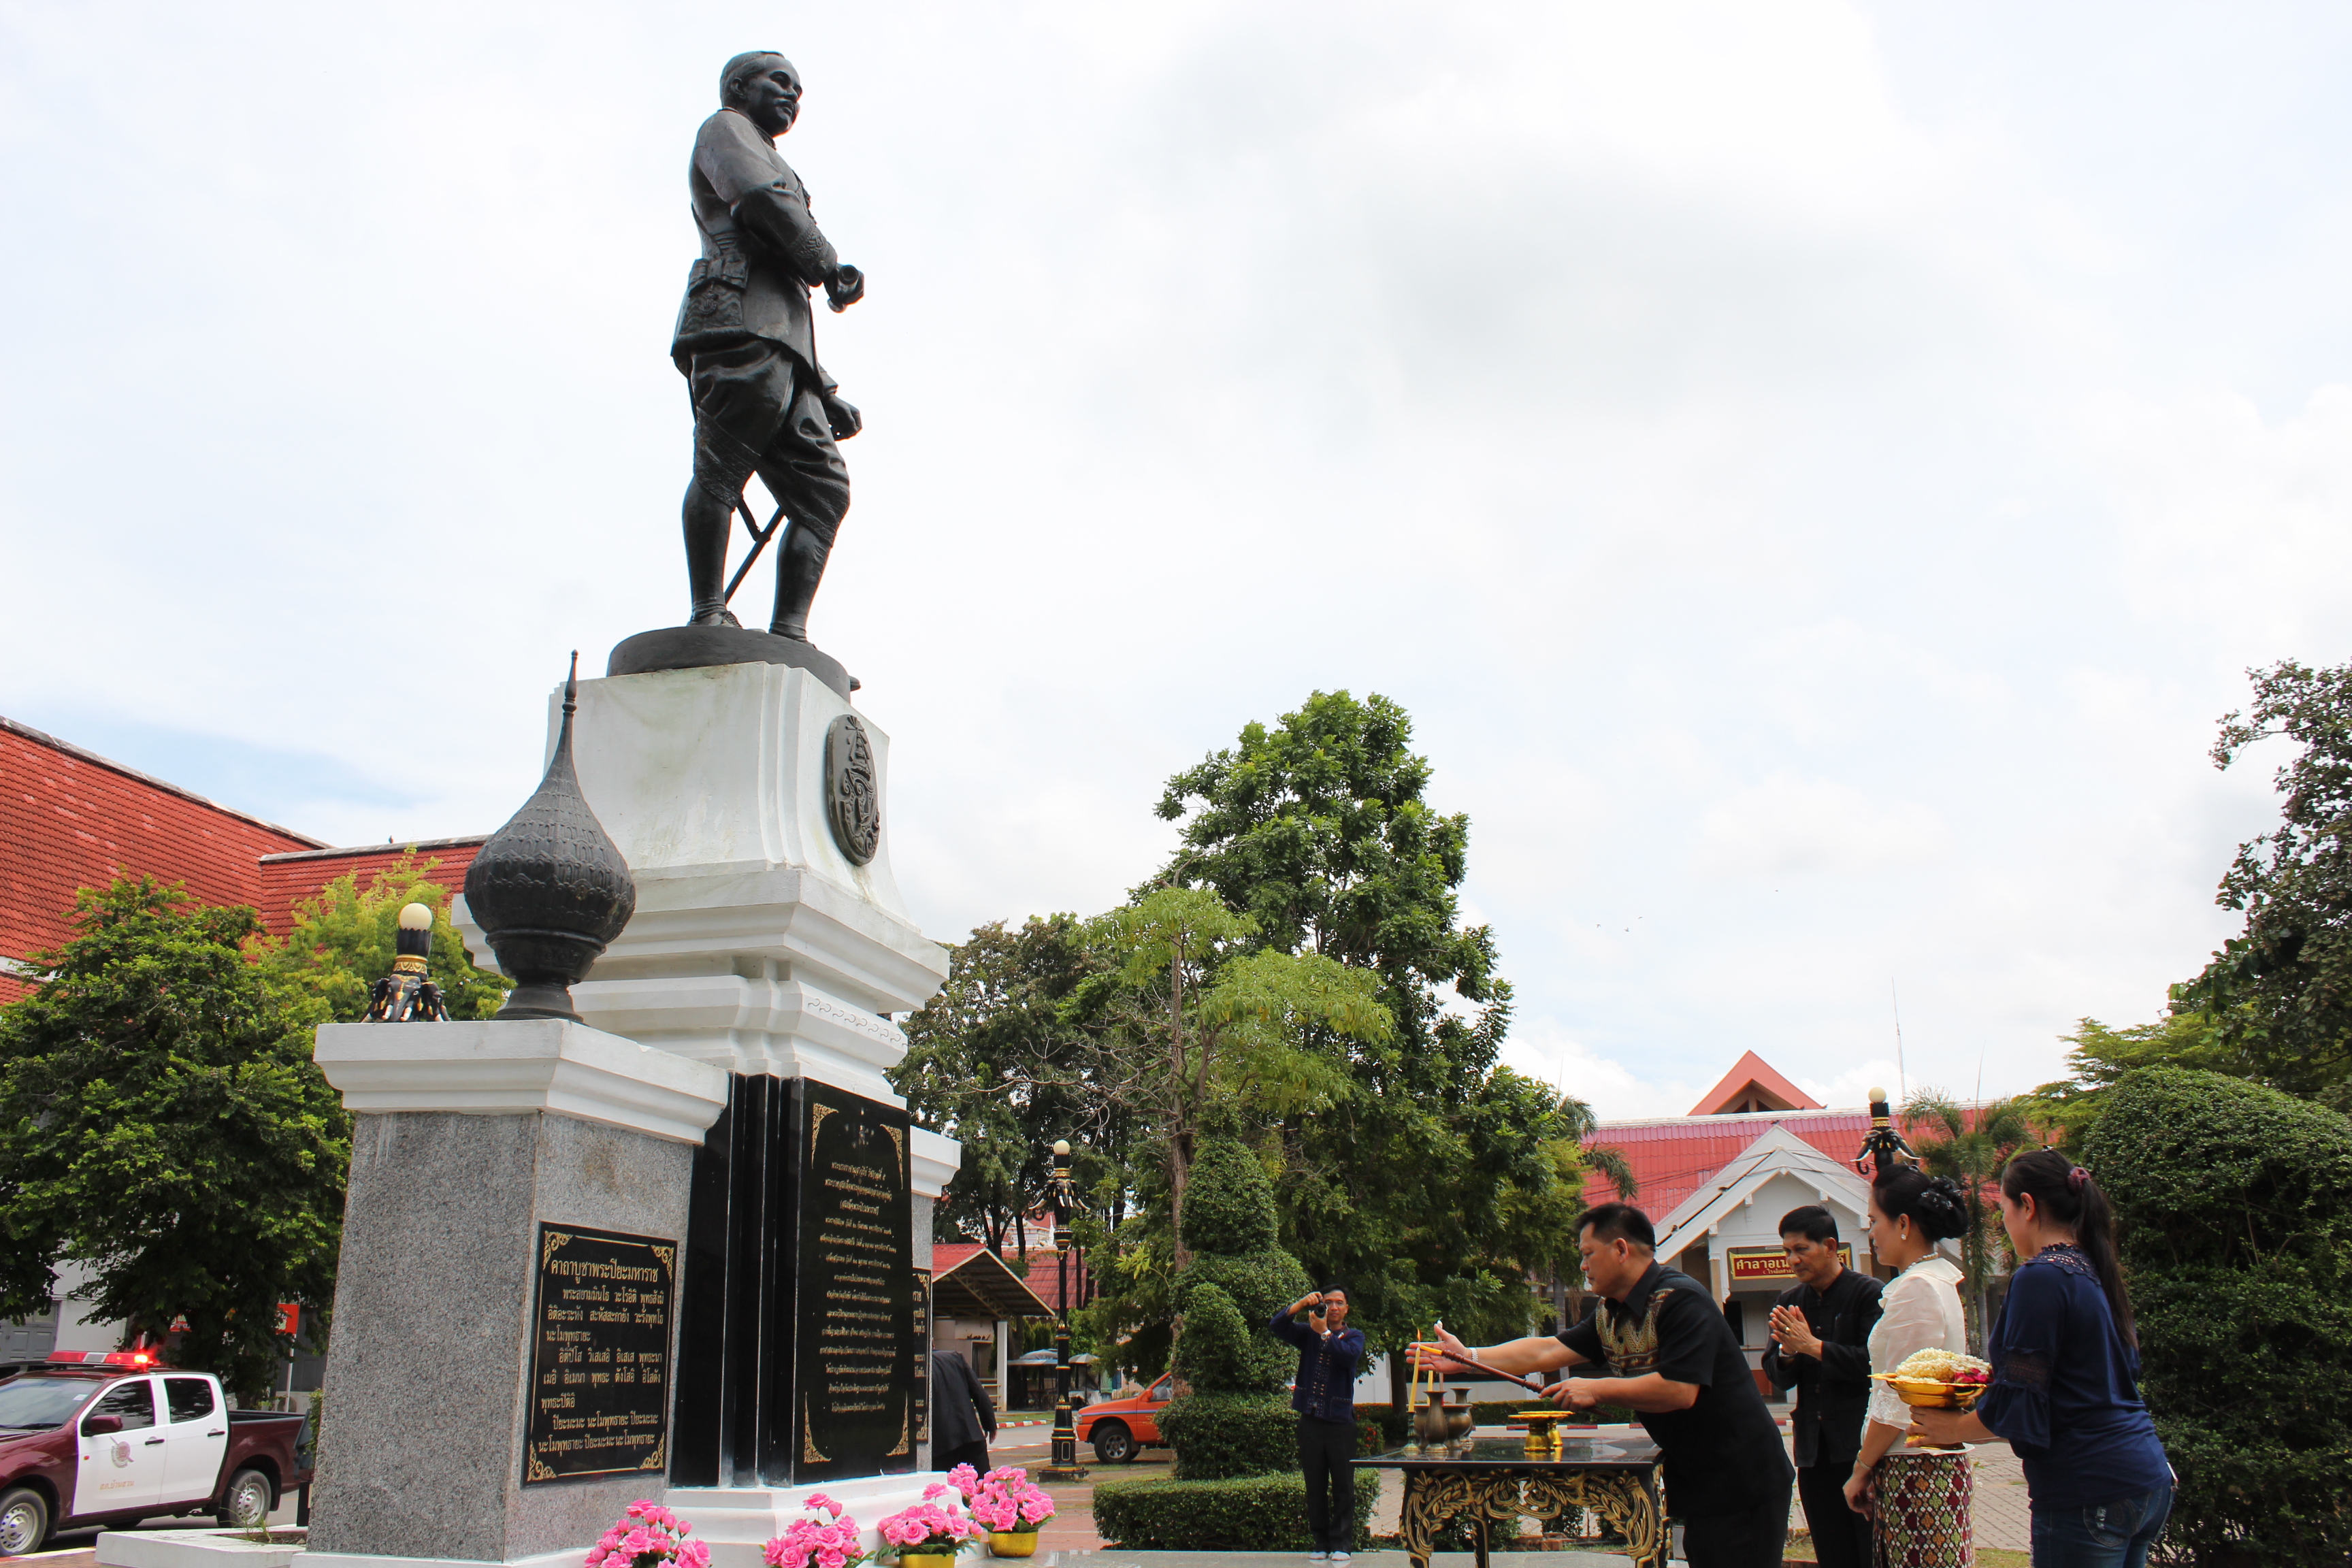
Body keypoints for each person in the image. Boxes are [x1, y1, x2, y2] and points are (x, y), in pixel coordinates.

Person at [1414, 1204, 1794, 1568]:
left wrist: (1598, 1389)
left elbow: (1680, 1390)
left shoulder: (1680, 1300)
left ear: (1621, 1249)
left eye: (1588, 1254)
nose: (1582, 1266)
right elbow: (1548, 1350)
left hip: (1743, 1480)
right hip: (1702, 1480)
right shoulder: (1611, 1313)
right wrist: (1471, 1357)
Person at [674, 51, 868, 638]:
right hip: (734, 323)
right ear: (739, 86)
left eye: (799, 89)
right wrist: (826, 261)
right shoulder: (725, 128)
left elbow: (788, 298)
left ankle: (789, 636)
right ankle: (708, 611)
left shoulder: (770, 150)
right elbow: (759, 199)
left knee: (824, 490)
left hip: (785, 345)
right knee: (721, 467)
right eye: (778, 82)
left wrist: (822, 387)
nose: (792, 95)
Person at [1909, 1151, 2172, 1568]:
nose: (2004, 1224)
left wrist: (1951, 1427)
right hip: (2145, 1477)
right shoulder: (2093, 1270)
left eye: (2004, 1211)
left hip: (2087, 1487)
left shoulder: (2041, 1277)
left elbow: (2019, 1400)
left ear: (2027, 1206)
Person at [1843, 1168, 1973, 1567]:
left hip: (1916, 1470)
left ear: (1902, 1224)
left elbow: (1899, 1399)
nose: (1871, 1232)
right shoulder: (1933, 1280)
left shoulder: (1918, 1288)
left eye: (1874, 1221)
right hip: (1922, 1465)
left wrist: (1861, 1468)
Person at [1763, 1205, 1883, 1568]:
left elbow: (1874, 1365)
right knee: (1832, 1554)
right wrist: (1787, 1351)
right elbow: (1778, 1376)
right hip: (1814, 1452)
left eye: (1801, 1249)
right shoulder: (1789, 1301)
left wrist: (1813, 1346)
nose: (1792, 1259)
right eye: (1786, 1251)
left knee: (1871, 1552)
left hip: (1860, 1450)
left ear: (1830, 1246)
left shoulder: (1869, 1295)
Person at [1271, 1285, 1367, 1567]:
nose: (1333, 1308)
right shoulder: (1308, 1334)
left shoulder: (1354, 1337)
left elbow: (1348, 1357)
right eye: (1328, 1303)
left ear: (1347, 1308)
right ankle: (1321, 1543)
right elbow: (1276, 1325)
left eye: (1339, 1303)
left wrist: (1324, 1332)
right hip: (1310, 1421)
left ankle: (1343, 1545)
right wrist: (1301, 1304)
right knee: (1314, 1486)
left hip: (1340, 1422)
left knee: (1343, 1487)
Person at [929, 1345, 998, 1473]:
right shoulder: (955, 1358)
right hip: (972, 1438)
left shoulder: (917, 1366)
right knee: (985, 1489)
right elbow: (979, 1392)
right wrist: (990, 1425)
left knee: (943, 1491)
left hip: (941, 1446)